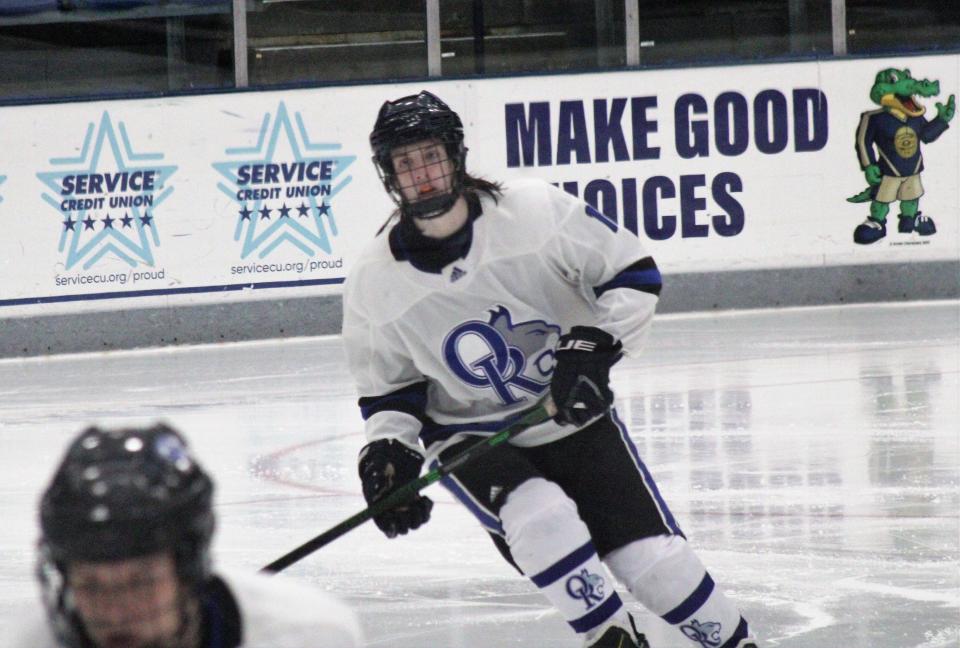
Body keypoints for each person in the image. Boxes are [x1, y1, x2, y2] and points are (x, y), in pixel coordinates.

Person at [342, 89, 758, 648]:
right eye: (405, 162)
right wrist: (389, 450)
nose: (422, 175)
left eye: (431, 156)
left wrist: (595, 347)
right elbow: (388, 391)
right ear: (389, 175)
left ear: (456, 156)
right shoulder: (374, 280)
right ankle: (610, 638)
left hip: (570, 414)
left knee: (655, 564)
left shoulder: (533, 212)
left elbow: (631, 275)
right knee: (540, 517)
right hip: (470, 436)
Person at [14, 422, 362, 648]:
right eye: (91, 585)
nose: (117, 614)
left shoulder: (310, 636)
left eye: (140, 582)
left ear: (188, 569)